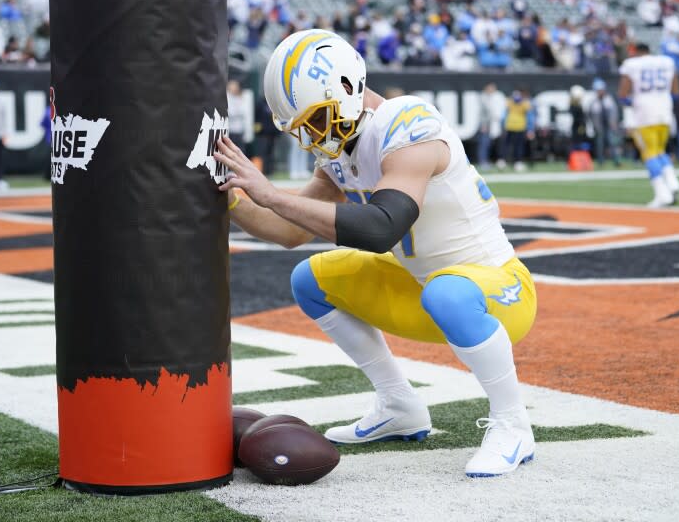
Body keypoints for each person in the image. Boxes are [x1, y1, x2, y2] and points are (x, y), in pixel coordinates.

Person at [214, 30, 538, 477]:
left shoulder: (408, 122)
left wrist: (270, 194)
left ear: (347, 86)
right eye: (303, 127)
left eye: (318, 119)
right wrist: (229, 198)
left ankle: (512, 423)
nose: (312, 137)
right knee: (310, 280)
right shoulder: (342, 144)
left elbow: (383, 227)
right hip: (425, 290)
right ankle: (398, 403)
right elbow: (290, 230)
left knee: (447, 292)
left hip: (497, 291)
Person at [618, 43, 679, 207]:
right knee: (660, 150)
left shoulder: (631, 65)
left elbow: (623, 95)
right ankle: (673, 181)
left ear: (637, 52)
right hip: (665, 112)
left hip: (645, 114)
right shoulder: (666, 62)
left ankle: (662, 194)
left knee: (649, 153)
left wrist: (632, 101)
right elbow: (676, 92)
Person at [587, 78, 621, 166]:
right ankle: (600, 162)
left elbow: (614, 113)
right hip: (599, 127)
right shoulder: (594, 102)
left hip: (609, 126)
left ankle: (616, 161)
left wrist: (614, 124)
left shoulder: (609, 99)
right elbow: (592, 115)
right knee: (600, 145)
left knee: (613, 143)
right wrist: (595, 126)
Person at [500, 90, 533, 171]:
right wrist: (530, 129)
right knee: (510, 146)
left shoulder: (524, 104)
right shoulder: (512, 103)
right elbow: (504, 115)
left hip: (518, 127)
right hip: (513, 127)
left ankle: (514, 162)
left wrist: (530, 129)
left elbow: (529, 117)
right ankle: (506, 161)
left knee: (515, 146)